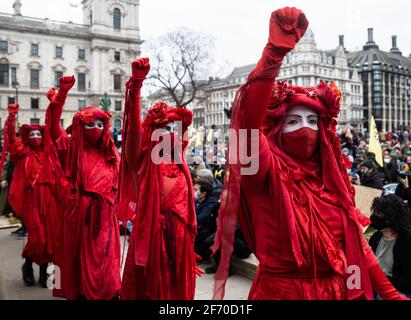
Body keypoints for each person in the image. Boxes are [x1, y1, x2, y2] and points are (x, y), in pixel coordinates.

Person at [212, 7, 407, 300]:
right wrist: (273, 56)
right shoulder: (262, 172)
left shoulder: (333, 184)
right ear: (277, 130)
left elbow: (359, 248)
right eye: (293, 121)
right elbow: (246, 125)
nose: (305, 128)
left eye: (312, 120)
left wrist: (391, 295)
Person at [119, 58, 201, 300]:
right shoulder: (143, 160)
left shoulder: (180, 159)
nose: (168, 134)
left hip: (181, 242)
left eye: (171, 129)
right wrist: (136, 88)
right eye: (161, 129)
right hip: (153, 239)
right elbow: (132, 131)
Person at [47, 76, 121, 300]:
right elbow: (52, 127)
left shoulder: (111, 155)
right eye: (90, 124)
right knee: (75, 262)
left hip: (105, 218)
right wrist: (61, 95)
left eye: (100, 125)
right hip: (78, 214)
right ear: (80, 126)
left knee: (106, 265)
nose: (96, 129)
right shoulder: (71, 149)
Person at [5, 103, 62, 288]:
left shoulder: (49, 153)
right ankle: (28, 265)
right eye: (32, 134)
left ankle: (43, 273)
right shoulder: (23, 153)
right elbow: (11, 140)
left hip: (50, 201)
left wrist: (54, 106)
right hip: (32, 200)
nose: (36, 137)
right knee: (38, 237)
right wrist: (12, 117)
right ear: (27, 137)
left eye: (39, 134)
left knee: (50, 239)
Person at [369, 195, 411, 298]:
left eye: (378, 213)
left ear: (390, 218)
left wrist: (382, 281)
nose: (373, 216)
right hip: (377, 284)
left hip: (397, 289)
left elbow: (408, 281)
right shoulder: (376, 237)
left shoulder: (407, 241)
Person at [194, 180, 220, 260]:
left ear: (203, 193)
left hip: (209, 229)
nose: (192, 190)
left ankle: (201, 257)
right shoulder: (196, 200)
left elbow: (202, 217)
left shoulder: (210, 202)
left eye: (195, 189)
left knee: (202, 234)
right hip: (198, 225)